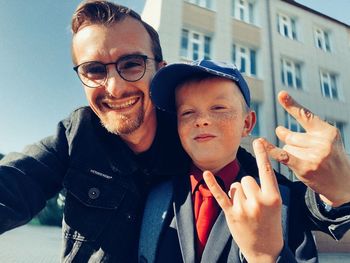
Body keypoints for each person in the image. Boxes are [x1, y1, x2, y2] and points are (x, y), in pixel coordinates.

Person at [0, 1, 348, 262]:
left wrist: (339, 188)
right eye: (94, 69)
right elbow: (15, 183)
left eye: (132, 64)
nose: (115, 87)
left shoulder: (201, 145)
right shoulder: (77, 135)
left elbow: (299, 201)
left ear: (157, 69)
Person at [138, 59, 350, 262]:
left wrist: (266, 256)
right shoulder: (153, 194)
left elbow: (326, 206)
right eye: (187, 112)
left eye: (218, 108)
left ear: (247, 123)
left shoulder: (280, 202)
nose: (201, 120)